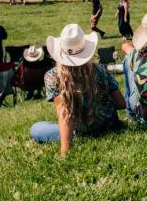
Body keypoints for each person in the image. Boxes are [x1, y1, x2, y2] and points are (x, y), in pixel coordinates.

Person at [31, 23, 126, 156]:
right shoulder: (101, 69)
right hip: (111, 127)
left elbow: (65, 115)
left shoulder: (53, 76)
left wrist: (65, 150)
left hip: (81, 132)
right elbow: (121, 103)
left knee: (36, 128)